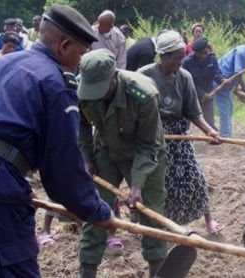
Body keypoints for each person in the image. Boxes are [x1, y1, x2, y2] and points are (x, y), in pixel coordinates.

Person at [0, 5, 114, 277]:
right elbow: (63, 168)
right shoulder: (55, 84)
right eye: (80, 53)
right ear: (65, 46)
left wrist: (13, 179)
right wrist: (97, 211)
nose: (80, 62)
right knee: (15, 270)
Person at [78, 48, 167, 278]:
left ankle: (157, 270)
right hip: (107, 149)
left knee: (151, 215)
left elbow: (149, 145)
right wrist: (87, 158)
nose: (95, 95)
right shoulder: (83, 89)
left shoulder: (143, 94)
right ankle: (87, 270)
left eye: (102, 89)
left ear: (115, 77)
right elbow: (81, 128)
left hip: (144, 154)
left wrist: (136, 185)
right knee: (95, 209)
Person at [138, 31, 223, 234]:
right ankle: (155, 224)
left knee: (196, 177)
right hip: (152, 136)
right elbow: (135, 110)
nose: (181, 61)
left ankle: (209, 220)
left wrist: (210, 131)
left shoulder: (185, 77)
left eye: (182, 56)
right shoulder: (144, 76)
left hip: (179, 135)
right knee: (157, 183)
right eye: (177, 57)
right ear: (164, 56)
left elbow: (193, 112)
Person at [182, 36, 226, 129]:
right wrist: (201, 94)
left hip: (208, 93)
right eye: (201, 54)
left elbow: (216, 73)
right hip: (192, 94)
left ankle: (212, 137)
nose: (203, 56)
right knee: (187, 117)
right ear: (196, 53)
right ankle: (184, 134)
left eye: (205, 53)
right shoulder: (187, 62)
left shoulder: (212, 58)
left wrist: (222, 80)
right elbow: (188, 81)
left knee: (209, 118)